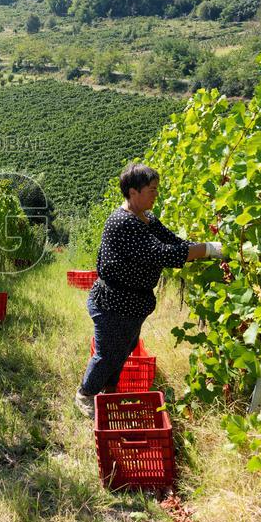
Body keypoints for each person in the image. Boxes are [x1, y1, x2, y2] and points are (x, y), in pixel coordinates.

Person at [74, 163, 223, 419]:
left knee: (123, 349)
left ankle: (110, 393)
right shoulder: (123, 222)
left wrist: (205, 251)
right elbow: (160, 253)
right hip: (113, 302)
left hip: (133, 302)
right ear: (133, 192)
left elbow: (173, 242)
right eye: (151, 190)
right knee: (107, 353)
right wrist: (206, 249)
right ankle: (85, 394)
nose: (156, 195)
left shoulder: (147, 218)